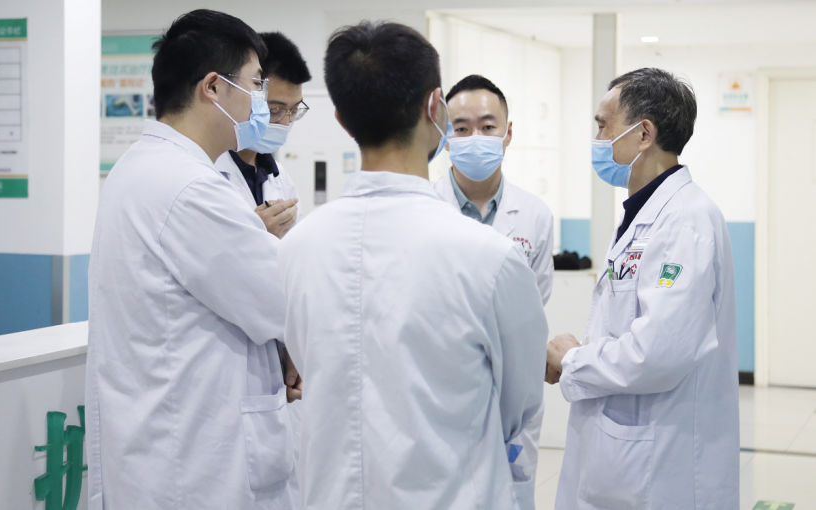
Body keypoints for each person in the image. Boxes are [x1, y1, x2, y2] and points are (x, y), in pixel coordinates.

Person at [278, 21, 548, 510]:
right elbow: (518, 404)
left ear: (341, 119)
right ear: (435, 107)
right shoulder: (488, 257)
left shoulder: (297, 248)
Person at [85, 10, 300, 510]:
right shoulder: (188, 188)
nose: (261, 101)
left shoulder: (143, 168)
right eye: (255, 84)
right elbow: (286, 300)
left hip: (171, 450)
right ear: (213, 87)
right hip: (195, 467)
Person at [545, 68, 739, 510]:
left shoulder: (684, 221)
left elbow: (656, 354)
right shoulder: (647, 213)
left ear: (644, 134)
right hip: (626, 456)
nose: (597, 139)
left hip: (659, 467)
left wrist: (573, 359)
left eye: (603, 125)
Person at [434, 75, 554, 507]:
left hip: (512, 388)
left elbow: (534, 304)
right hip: (440, 384)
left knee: (511, 495)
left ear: (508, 133)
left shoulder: (535, 215)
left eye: (487, 127)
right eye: (461, 128)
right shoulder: (426, 209)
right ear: (443, 135)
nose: (475, 138)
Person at [215, 31, 309, 239]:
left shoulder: (280, 177)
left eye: (294, 111)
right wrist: (256, 235)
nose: (285, 124)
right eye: (274, 110)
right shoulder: (208, 171)